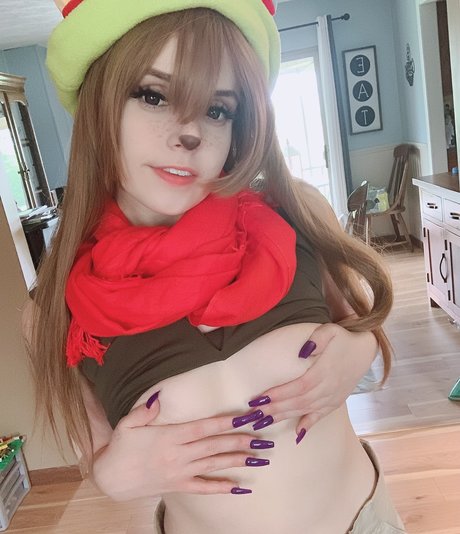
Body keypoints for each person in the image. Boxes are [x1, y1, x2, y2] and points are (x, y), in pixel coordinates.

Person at [26, 1, 406, 532]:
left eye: (217, 109)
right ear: (99, 104)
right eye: (154, 95)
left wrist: (357, 350)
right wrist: (111, 476)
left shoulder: (294, 211)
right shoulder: (54, 307)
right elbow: (98, 459)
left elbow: (362, 328)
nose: (189, 135)